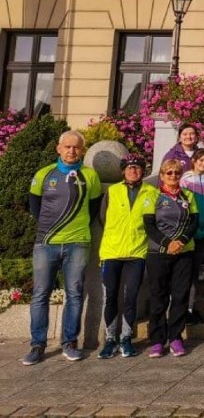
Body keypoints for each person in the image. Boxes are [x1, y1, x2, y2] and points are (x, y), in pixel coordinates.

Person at [23, 130, 102, 366]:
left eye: (76, 147)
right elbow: (35, 207)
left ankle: (69, 342)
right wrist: (51, 229)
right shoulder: (44, 174)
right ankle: (37, 345)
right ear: (58, 149)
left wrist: (75, 231)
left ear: (82, 150)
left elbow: (94, 209)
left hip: (78, 243)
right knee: (40, 294)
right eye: (67, 146)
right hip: (46, 243)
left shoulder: (90, 176)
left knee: (75, 294)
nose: (71, 151)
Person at [97, 153, 154, 360]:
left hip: (136, 252)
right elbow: (103, 218)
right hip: (111, 251)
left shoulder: (151, 191)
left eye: (137, 167)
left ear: (142, 171)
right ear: (123, 171)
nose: (133, 170)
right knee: (111, 295)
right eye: (129, 168)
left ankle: (126, 338)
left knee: (131, 297)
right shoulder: (112, 191)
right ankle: (110, 338)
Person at [143, 159, 199, 358]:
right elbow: (150, 226)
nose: (173, 176)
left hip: (184, 253)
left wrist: (181, 241)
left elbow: (194, 223)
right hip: (159, 253)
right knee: (159, 296)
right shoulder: (153, 196)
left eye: (177, 173)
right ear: (162, 175)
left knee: (180, 295)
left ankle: (176, 337)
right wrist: (168, 243)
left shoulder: (188, 195)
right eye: (169, 173)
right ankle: (157, 340)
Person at [180, 149, 204, 326]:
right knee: (185, 273)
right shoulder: (185, 180)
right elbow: (184, 207)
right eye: (200, 160)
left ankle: (189, 308)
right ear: (193, 161)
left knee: (195, 272)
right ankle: (181, 307)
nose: (203, 164)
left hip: (203, 233)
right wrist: (192, 230)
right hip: (189, 233)